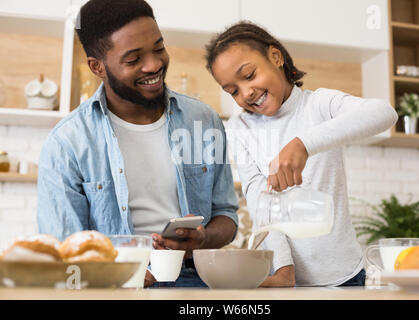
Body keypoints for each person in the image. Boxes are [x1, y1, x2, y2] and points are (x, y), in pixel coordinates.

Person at [36, 0, 238, 288]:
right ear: (98, 67)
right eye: (133, 59)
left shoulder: (203, 121)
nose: (154, 64)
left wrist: (203, 238)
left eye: (159, 48)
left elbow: (227, 216)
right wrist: (111, 273)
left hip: (198, 281)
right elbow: (62, 251)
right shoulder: (67, 143)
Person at [205, 21, 398, 287]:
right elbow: (261, 204)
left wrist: (303, 144)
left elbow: (384, 113)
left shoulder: (318, 104)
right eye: (233, 91)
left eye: (249, 75)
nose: (246, 93)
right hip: (288, 281)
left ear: (276, 57)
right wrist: (284, 269)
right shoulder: (240, 128)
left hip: (346, 276)